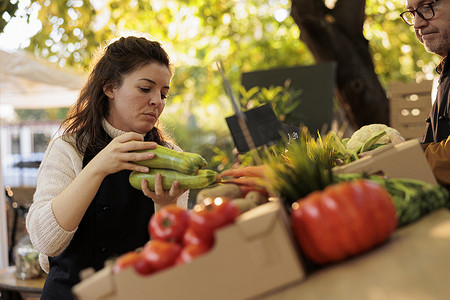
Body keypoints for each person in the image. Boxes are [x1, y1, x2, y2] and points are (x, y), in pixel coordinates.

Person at [26, 35, 189, 299]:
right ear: (110, 88)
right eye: (145, 89)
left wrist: (165, 208)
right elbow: (46, 242)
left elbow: (174, 262)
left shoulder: (173, 157)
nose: (157, 101)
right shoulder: (69, 149)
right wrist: (98, 167)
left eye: (163, 93)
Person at [400, 0, 450, 189]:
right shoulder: (445, 71)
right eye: (412, 13)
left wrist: (393, 163)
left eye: (428, 6)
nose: (417, 24)